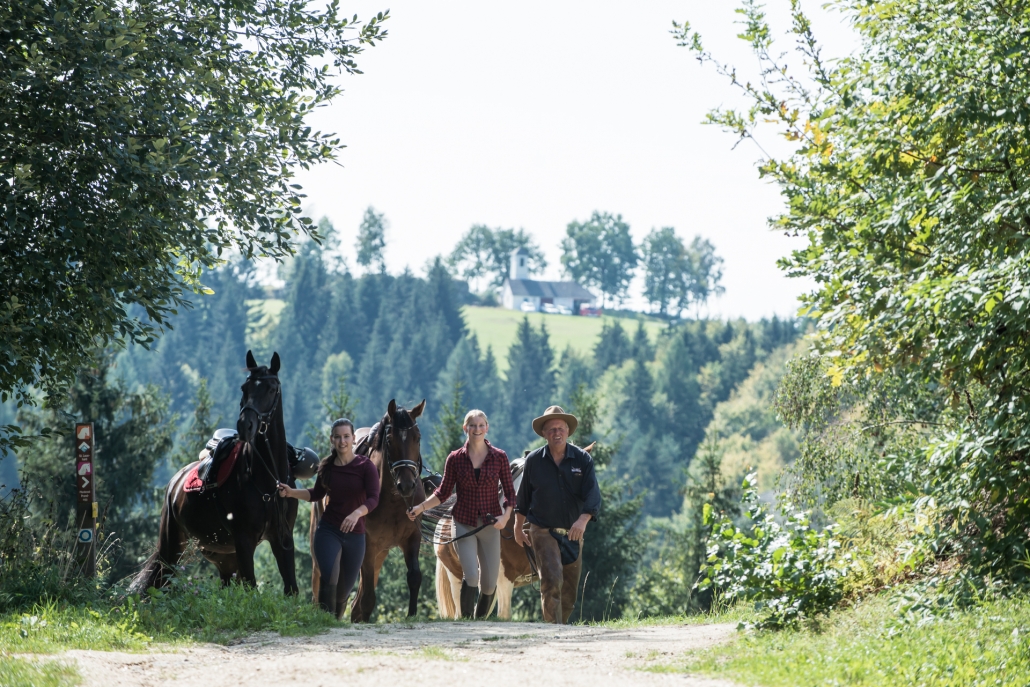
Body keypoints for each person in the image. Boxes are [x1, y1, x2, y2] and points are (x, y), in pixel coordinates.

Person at [407, 409, 515, 618]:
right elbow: (443, 492)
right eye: (472, 425)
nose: (477, 429)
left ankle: (479, 620)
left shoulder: (499, 457)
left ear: (487, 428)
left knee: (489, 584)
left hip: (491, 525)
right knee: (471, 576)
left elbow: (510, 493)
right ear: (465, 428)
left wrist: (505, 517)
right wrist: (421, 508)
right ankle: (466, 621)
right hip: (463, 523)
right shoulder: (455, 458)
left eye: (481, 425)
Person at [277, 418, 379, 615]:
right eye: (338, 437)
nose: (342, 441)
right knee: (329, 577)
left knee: (342, 593)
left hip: (355, 535)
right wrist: (291, 492)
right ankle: (324, 623)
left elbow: (374, 498)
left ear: (354, 438)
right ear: (332, 439)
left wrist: (357, 513)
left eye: (346, 436)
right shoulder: (327, 466)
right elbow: (316, 494)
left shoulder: (366, 467)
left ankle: (334, 624)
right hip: (328, 531)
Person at [513, 405, 601, 624]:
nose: (556, 433)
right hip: (542, 530)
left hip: (573, 532)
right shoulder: (534, 460)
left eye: (560, 428)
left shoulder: (582, 460)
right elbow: (523, 497)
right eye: (551, 429)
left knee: (569, 592)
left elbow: (593, 495)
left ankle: (560, 627)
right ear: (544, 433)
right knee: (551, 581)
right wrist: (518, 526)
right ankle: (554, 632)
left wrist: (583, 520)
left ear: (568, 431)